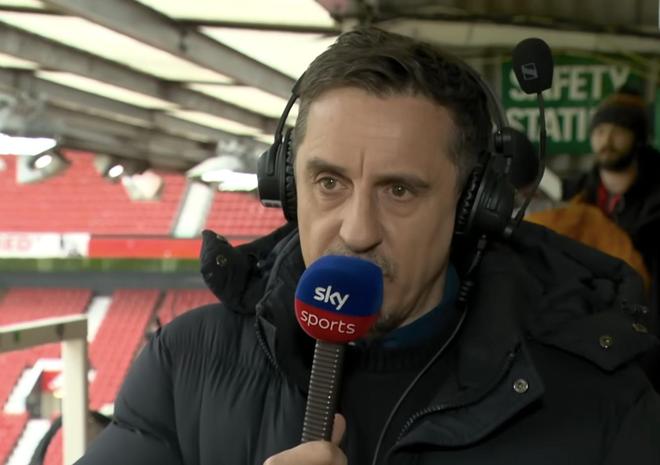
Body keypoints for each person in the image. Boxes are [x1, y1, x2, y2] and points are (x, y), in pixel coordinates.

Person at [75, 28, 660, 465]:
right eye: (329, 182)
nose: (356, 231)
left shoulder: (601, 402)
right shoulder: (186, 362)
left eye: (400, 190)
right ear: (286, 183)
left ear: (472, 208)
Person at [563, 87, 660, 333]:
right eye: (600, 131)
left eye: (618, 131)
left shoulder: (654, 202)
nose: (606, 140)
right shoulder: (576, 196)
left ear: (637, 138)